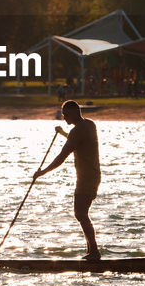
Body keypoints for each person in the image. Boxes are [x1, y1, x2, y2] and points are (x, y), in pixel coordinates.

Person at [34, 100, 102, 261]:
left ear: (73, 113)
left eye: (65, 115)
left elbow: (61, 157)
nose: (64, 118)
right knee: (81, 214)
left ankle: (94, 252)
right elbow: (78, 141)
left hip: (87, 179)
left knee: (80, 213)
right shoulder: (90, 125)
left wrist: (42, 172)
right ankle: (92, 252)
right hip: (92, 176)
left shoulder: (77, 132)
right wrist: (64, 133)